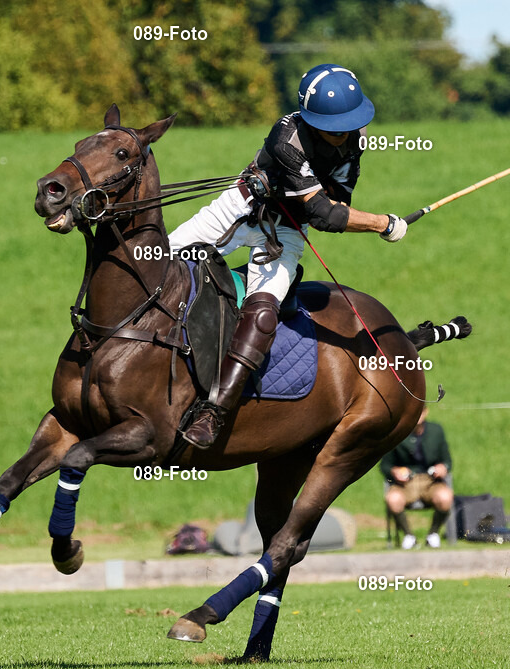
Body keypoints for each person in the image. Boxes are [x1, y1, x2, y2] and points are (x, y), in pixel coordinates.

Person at [170, 64, 410, 448]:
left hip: (284, 232)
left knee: (263, 313)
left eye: (349, 124)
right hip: (239, 210)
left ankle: (213, 412)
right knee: (157, 262)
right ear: (312, 121)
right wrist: (383, 223)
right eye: (335, 127)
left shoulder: (355, 138)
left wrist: (340, 206)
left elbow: (339, 202)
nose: (343, 134)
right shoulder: (287, 137)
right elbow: (326, 214)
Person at [380, 407, 454, 549]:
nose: (417, 415)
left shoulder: (436, 431)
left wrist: (443, 468)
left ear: (426, 411)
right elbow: (385, 465)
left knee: (445, 497)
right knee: (392, 499)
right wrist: (394, 472)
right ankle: (409, 536)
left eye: (420, 410)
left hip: (431, 481)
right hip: (405, 483)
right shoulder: (396, 432)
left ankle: (433, 534)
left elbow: (447, 461)